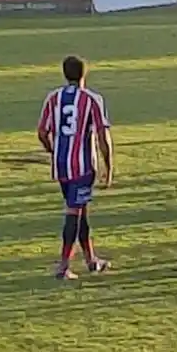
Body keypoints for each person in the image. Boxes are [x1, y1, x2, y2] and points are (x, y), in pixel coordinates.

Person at [36, 55, 114, 280]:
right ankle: (63, 266)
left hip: (61, 166)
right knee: (74, 213)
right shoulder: (92, 100)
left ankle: (91, 260)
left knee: (80, 210)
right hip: (82, 167)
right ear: (84, 74)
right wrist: (108, 167)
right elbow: (102, 136)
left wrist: (52, 150)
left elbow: (42, 132)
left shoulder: (53, 98)